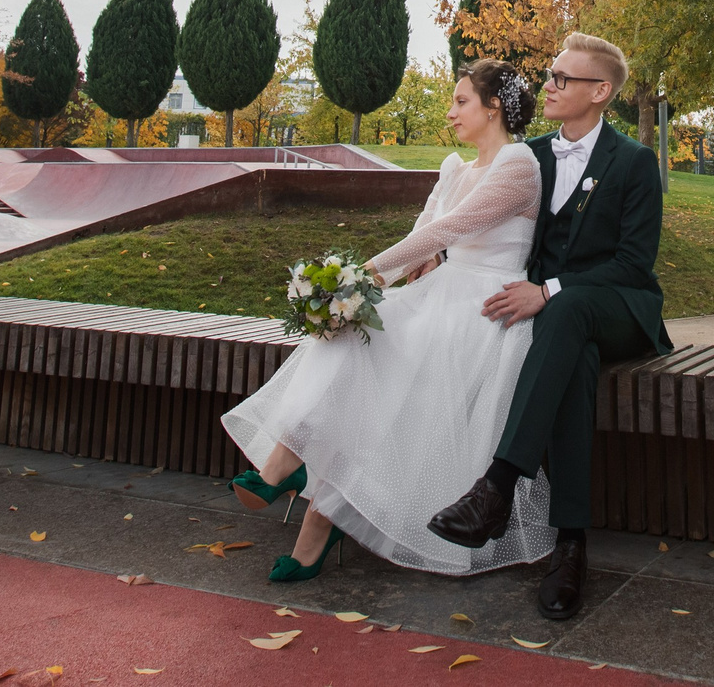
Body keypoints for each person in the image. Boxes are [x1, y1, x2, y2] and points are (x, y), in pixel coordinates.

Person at [220, 59, 557, 582]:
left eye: (461, 101)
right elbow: (425, 231)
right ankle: (290, 465)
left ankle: (305, 496)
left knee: (383, 361)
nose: (450, 114)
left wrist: (364, 274)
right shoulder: (454, 169)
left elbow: (453, 226)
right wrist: (357, 289)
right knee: (354, 334)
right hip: (441, 294)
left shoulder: (518, 163)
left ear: (494, 107)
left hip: (487, 308)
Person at [427, 32, 669, 621]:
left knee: (570, 310)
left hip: (619, 307)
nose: (549, 85)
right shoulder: (527, 156)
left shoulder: (635, 163)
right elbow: (474, 224)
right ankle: (570, 545)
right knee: (574, 356)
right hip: (560, 324)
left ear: (601, 91)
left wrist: (550, 290)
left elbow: (633, 265)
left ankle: (499, 484)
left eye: (563, 78)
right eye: (551, 75)